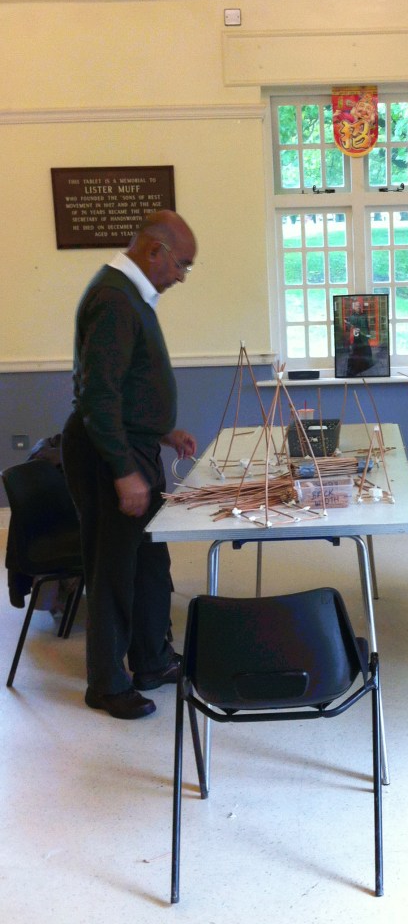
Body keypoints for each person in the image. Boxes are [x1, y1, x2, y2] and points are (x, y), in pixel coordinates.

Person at [62, 210, 198, 718]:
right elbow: (97, 395)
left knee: (149, 565)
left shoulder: (129, 295)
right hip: (109, 455)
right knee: (114, 570)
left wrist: (162, 431)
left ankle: (152, 660)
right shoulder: (115, 299)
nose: (182, 276)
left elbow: (125, 386)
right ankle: (106, 685)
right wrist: (123, 470)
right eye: (182, 264)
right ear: (155, 250)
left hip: (133, 445)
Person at [345, 298, 373, 377]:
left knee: (367, 352)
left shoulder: (364, 315)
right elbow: (348, 329)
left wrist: (368, 334)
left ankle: (366, 366)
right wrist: (350, 326)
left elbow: (367, 326)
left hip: (364, 338)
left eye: (359, 306)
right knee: (355, 354)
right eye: (357, 306)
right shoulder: (351, 317)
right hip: (356, 338)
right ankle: (354, 369)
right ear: (353, 307)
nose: (358, 307)